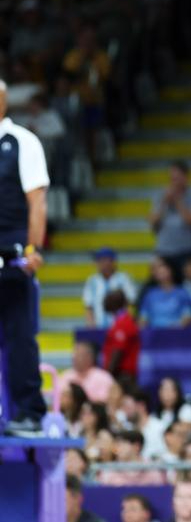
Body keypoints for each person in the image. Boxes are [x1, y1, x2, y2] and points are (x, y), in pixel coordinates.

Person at [0, 79, 49, 436]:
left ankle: (30, 412)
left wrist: (33, 249)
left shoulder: (21, 141)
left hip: (12, 253)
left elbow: (37, 201)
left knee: (19, 336)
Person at [148, 160, 191, 273]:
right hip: (164, 250)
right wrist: (163, 203)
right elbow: (153, 222)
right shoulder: (161, 195)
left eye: (177, 178)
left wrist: (178, 201)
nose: (174, 181)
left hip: (186, 250)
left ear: (185, 177)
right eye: (172, 178)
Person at [83, 247, 137, 328]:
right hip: (99, 327)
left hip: (120, 327)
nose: (104, 264)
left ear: (113, 262)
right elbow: (88, 307)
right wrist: (91, 327)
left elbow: (131, 302)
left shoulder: (124, 279)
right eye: (100, 261)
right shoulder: (92, 281)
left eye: (106, 260)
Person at [137, 256, 191, 328]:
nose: (158, 270)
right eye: (154, 268)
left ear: (170, 268)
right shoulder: (149, 295)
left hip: (176, 332)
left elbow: (188, 317)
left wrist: (173, 328)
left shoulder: (182, 293)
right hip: (155, 333)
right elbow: (143, 318)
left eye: (161, 266)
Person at [101, 290, 140, 381]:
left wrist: (107, 376)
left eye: (108, 299)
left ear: (116, 303)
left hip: (123, 377)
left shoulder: (123, 323)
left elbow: (118, 352)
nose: (104, 301)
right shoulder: (120, 321)